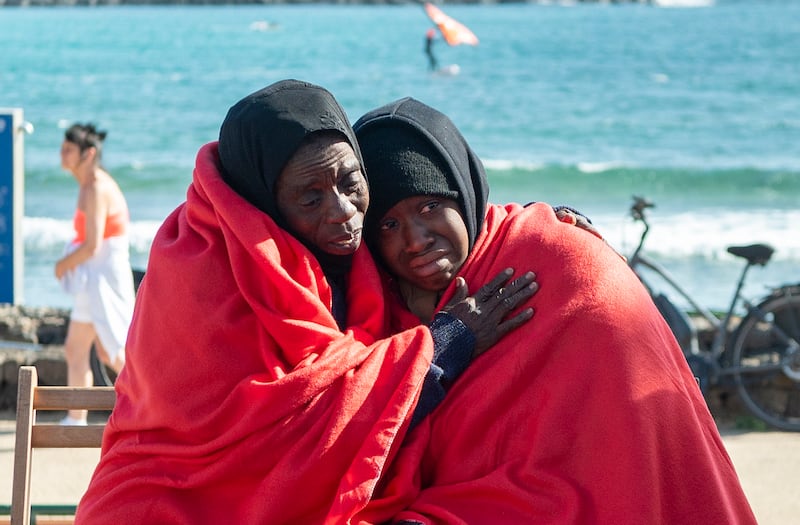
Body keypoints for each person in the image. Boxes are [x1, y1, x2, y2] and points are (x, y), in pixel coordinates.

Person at [75, 80, 536, 524]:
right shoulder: (200, 268)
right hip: (168, 508)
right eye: (310, 198)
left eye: (351, 181)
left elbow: (443, 206)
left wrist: (542, 227)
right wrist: (443, 344)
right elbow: (286, 432)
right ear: (263, 203)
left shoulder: (352, 250)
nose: (342, 210)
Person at [351, 97, 758, 524]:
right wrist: (444, 343)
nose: (415, 240)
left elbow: (608, 440)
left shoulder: (557, 259)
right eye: (388, 225)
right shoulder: (378, 304)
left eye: (429, 206)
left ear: (464, 190)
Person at [55, 123, 135, 426]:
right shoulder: (87, 184)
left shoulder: (97, 187)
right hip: (93, 278)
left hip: (104, 278)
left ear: (87, 154)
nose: (62, 155)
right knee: (77, 348)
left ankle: (152, 406)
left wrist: (60, 267)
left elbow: (92, 245)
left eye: (68, 150)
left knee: (114, 351)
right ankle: (76, 418)